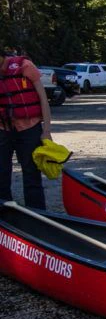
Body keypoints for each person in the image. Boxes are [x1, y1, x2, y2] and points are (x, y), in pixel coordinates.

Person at [1, 48, 54, 209]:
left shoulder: (25, 66)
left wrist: (46, 130)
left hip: (29, 128)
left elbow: (43, 99)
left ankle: (38, 215)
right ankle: (6, 217)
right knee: (1, 175)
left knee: (31, 175)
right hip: (3, 130)